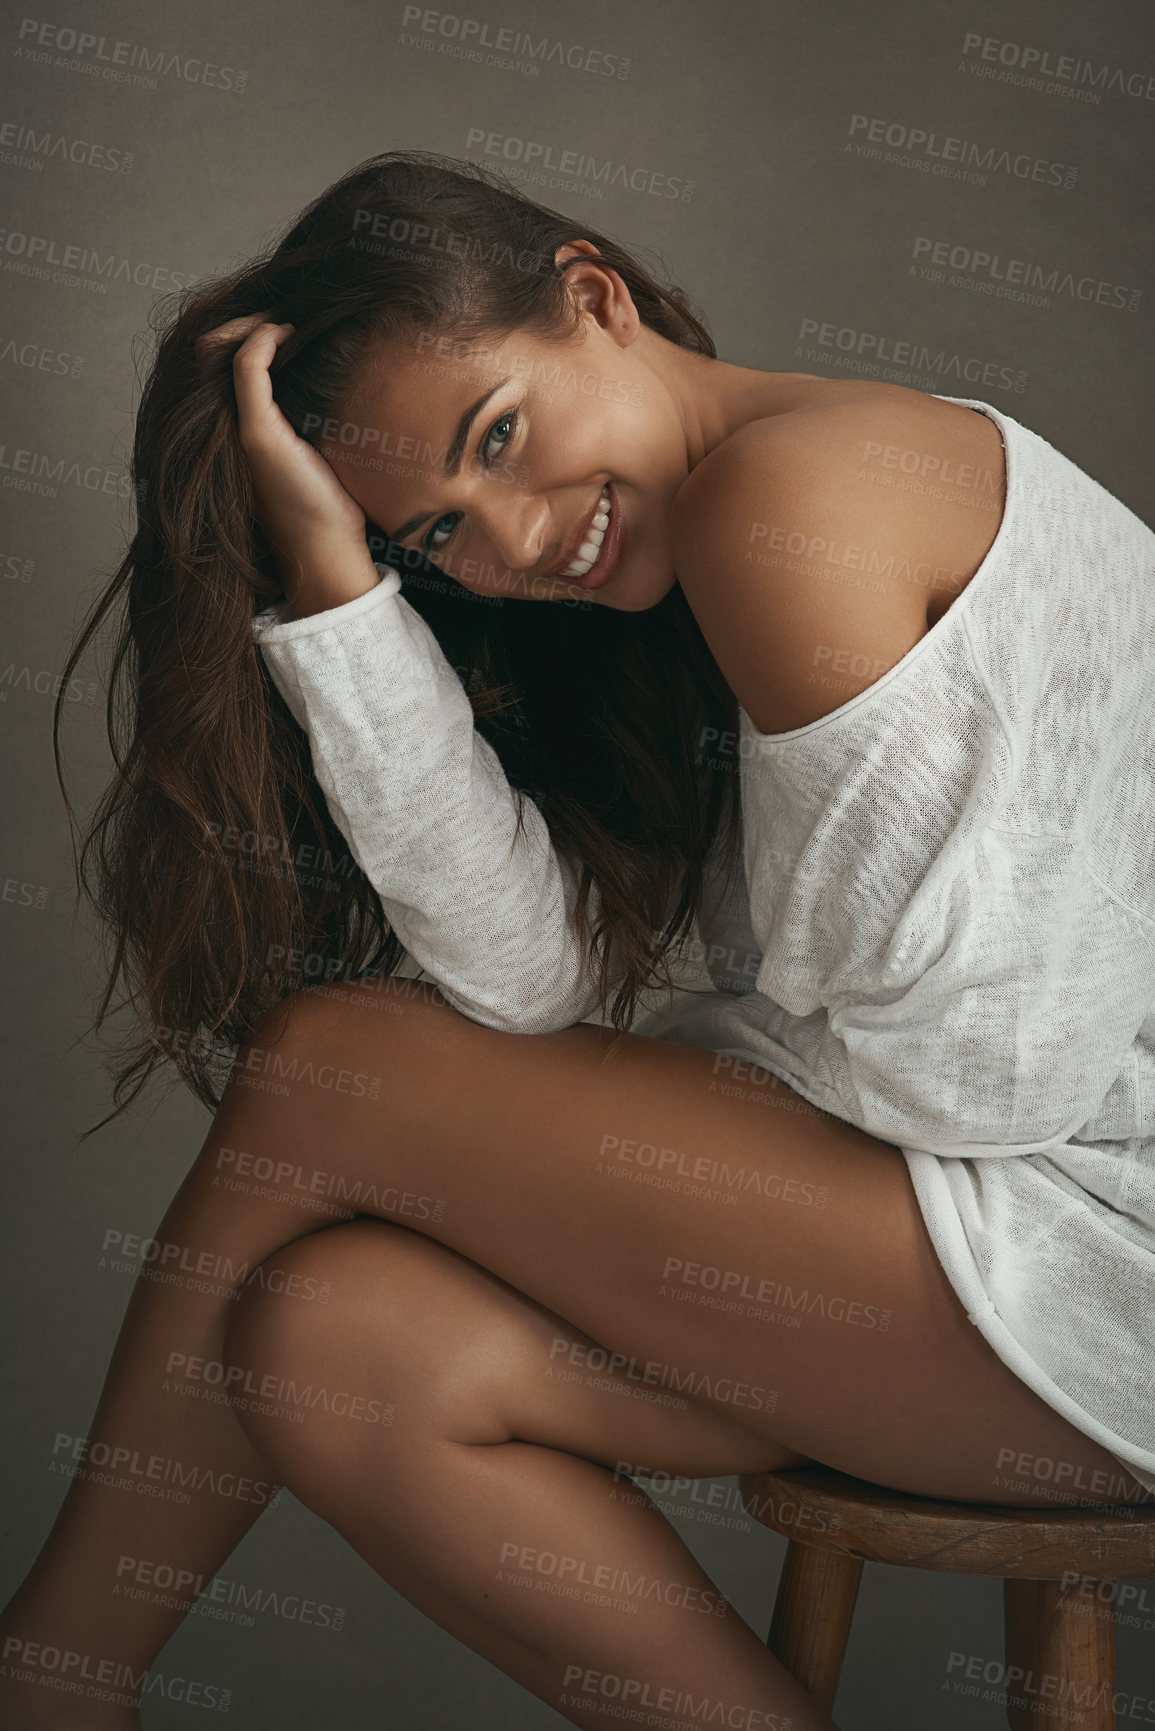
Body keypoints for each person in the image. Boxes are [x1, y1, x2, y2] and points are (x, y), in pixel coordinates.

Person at [3, 148, 1152, 1731]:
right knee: (339, 1340)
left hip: (1104, 1262)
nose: (519, 542)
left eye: (501, 440)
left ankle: (50, 1687)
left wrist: (621, 1142)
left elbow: (982, 1076)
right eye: (438, 538)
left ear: (594, 295)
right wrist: (342, 589)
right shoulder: (737, 530)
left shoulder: (787, 500)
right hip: (1003, 1247)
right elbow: (528, 982)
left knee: (334, 1063)